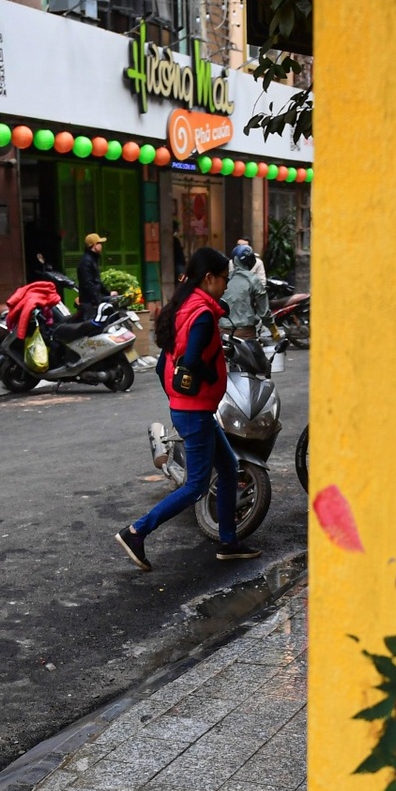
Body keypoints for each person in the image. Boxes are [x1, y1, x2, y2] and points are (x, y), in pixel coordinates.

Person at [116, 246, 261, 571]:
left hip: (191, 408)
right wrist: (210, 376)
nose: (226, 285)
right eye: (224, 278)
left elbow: (162, 367)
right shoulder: (203, 315)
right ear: (209, 278)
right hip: (194, 411)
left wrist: (180, 397)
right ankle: (136, 531)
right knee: (196, 485)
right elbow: (192, 360)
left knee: (227, 467)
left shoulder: (184, 307)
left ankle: (228, 541)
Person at [222, 244, 271, 338]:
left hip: (223, 331)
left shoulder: (225, 278)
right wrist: (273, 329)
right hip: (245, 333)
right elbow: (264, 313)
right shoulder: (253, 280)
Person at [77, 233, 108, 315]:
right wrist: (96, 300)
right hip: (89, 304)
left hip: (94, 301)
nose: (101, 246)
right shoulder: (86, 261)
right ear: (94, 245)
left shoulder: (93, 259)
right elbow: (88, 284)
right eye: (100, 243)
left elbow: (97, 281)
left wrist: (108, 293)